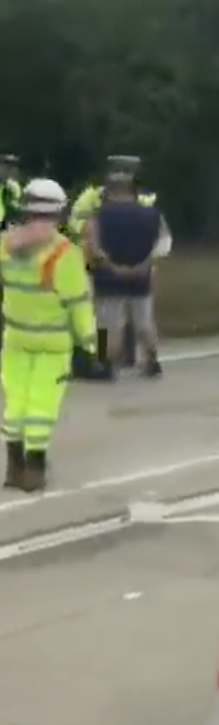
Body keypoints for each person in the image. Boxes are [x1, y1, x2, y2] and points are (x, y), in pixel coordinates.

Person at [0, 178, 96, 492]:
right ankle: (35, 470)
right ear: (58, 211)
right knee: (42, 406)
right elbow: (79, 305)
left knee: (15, 402)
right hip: (53, 345)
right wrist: (97, 344)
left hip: (15, 338)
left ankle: (13, 468)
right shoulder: (64, 252)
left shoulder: (5, 245)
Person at [84, 165, 168, 378]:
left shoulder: (97, 216)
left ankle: (106, 365)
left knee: (107, 324)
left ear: (109, 191)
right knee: (144, 321)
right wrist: (143, 265)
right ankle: (152, 360)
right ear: (133, 191)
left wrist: (113, 267)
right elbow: (163, 244)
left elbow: (93, 247)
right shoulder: (153, 215)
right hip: (141, 278)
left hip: (108, 278)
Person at [0, 155, 22, 229]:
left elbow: (13, 207)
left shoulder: (14, 186)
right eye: (5, 165)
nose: (9, 169)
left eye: (12, 166)